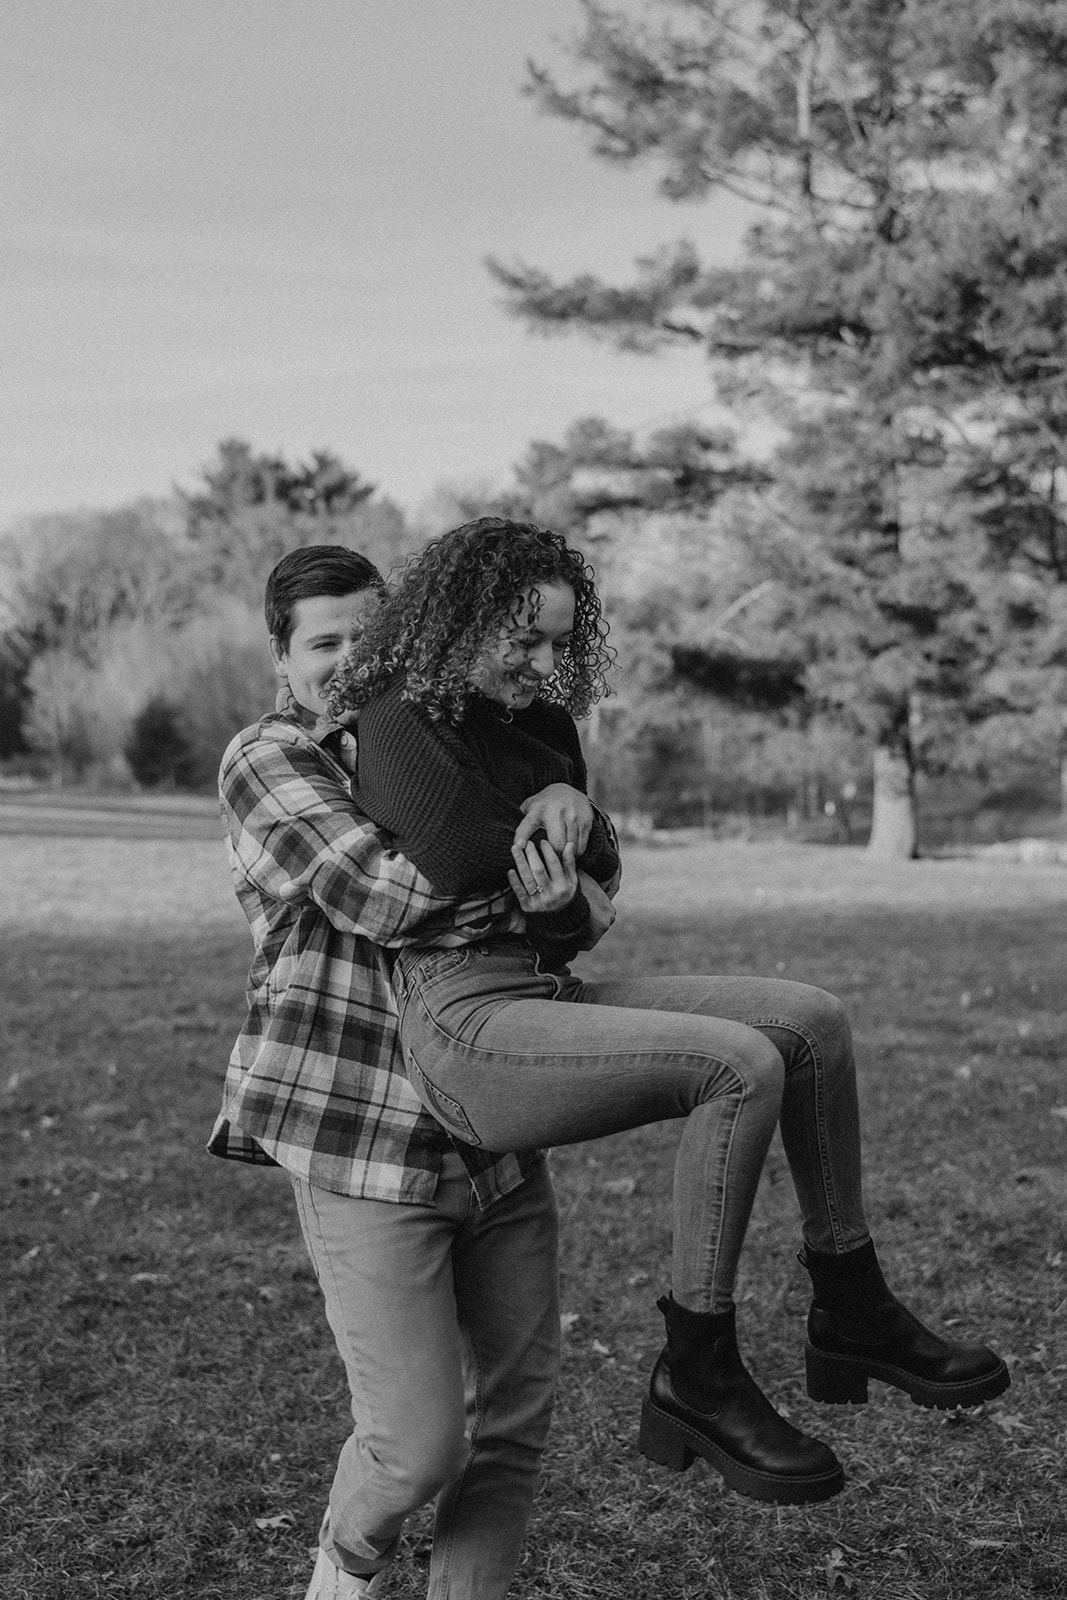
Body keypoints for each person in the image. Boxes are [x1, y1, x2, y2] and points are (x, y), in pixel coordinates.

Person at [329, 515, 1011, 1512]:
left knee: (808, 1020)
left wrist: (575, 837)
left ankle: (849, 1302)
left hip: (538, 986)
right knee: (737, 1064)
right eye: (523, 639)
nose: (545, 666)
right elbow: (467, 856)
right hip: (461, 1027)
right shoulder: (399, 719)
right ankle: (697, 1367)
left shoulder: (544, 728)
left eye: (560, 641)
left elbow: (576, 901)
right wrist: (565, 834)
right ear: (458, 620)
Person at [211, 544, 599, 1600]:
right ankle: (344, 1567)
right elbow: (384, 895)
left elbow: (588, 908)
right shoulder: (268, 756)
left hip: (492, 1120)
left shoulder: (453, 730)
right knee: (415, 1444)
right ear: (283, 658)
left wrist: (556, 835)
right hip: (362, 1133)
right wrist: (535, 861)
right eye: (322, 643)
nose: (347, 662)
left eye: (365, 637)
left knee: (513, 1421)